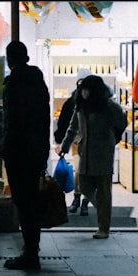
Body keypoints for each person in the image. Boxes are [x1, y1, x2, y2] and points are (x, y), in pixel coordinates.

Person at [1, 41, 51, 270]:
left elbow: (13, 122)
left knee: (23, 202)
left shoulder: (13, 84)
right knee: (32, 201)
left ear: (9, 59)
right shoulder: (39, 83)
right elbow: (44, 119)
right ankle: (33, 250)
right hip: (36, 150)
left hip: (19, 151)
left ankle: (30, 254)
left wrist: (6, 148)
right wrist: (44, 149)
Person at [58, 75, 127, 239]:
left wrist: (113, 138)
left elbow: (122, 122)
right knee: (84, 186)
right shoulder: (81, 106)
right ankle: (103, 209)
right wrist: (65, 146)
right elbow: (72, 127)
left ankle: (104, 228)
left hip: (103, 152)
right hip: (85, 151)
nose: (85, 93)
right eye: (83, 89)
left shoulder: (109, 105)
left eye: (88, 89)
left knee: (104, 190)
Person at [54, 67, 91, 215]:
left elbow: (64, 123)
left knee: (85, 173)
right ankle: (78, 198)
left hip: (90, 142)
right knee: (80, 170)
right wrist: (60, 142)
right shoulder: (74, 102)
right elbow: (65, 124)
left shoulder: (92, 101)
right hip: (79, 141)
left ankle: (83, 200)